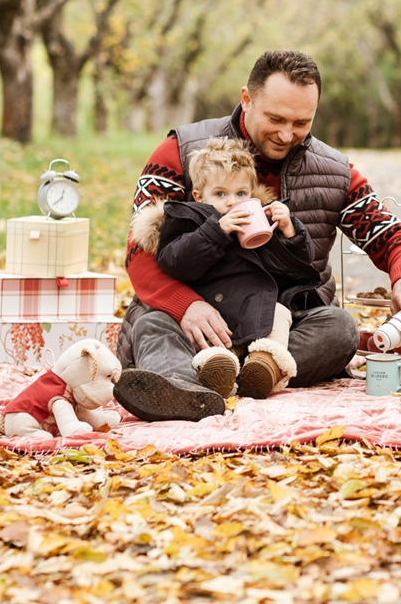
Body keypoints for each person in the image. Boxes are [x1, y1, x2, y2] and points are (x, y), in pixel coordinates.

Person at [115, 50, 401, 422]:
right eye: (275, 118)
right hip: (192, 317)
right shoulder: (181, 150)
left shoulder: (335, 171)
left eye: (301, 122)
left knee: (339, 330)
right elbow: (137, 250)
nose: (287, 134)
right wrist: (185, 305)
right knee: (152, 324)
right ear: (247, 99)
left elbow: (390, 234)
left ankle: (248, 372)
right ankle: (180, 385)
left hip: (280, 327)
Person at [129, 136, 323, 404]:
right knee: (151, 325)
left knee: (333, 325)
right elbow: (175, 262)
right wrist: (216, 231)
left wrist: (290, 232)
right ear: (199, 196)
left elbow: (296, 270)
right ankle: (185, 385)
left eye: (241, 194)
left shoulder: (259, 220)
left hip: (257, 323)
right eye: (220, 194)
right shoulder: (187, 219)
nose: (232, 203)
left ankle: (263, 367)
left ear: (252, 194)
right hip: (205, 330)